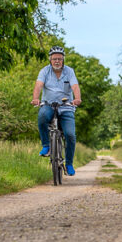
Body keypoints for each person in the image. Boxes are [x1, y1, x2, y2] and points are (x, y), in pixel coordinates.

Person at [31, 46, 82, 176]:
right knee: (42, 116)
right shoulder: (44, 71)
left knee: (70, 135)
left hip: (66, 107)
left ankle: (69, 163)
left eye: (59, 58)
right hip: (49, 104)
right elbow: (38, 85)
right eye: (54, 59)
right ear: (50, 60)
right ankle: (46, 146)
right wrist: (36, 98)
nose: (57, 61)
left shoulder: (69, 71)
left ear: (63, 59)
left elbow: (75, 86)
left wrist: (77, 98)